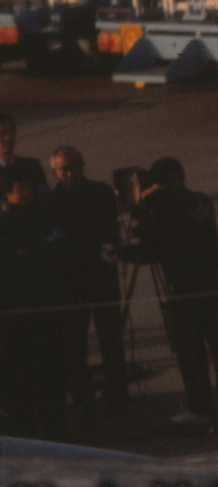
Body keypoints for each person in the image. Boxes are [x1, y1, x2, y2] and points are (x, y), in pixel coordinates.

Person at [136, 157, 218, 434]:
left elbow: (197, 217)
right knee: (189, 353)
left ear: (177, 178)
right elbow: (152, 248)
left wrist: (168, 195)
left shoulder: (198, 201)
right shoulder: (160, 207)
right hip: (180, 289)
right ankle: (199, 409)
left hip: (208, 286)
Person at [47, 146, 128, 419]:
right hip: (70, 284)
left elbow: (111, 229)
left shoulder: (101, 192)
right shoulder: (50, 202)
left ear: (82, 166)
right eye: (64, 169)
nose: (70, 173)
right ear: (55, 172)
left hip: (101, 277)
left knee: (111, 341)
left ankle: (118, 401)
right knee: (74, 348)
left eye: (75, 167)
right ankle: (83, 405)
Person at [0, 163, 68, 440]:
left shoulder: (46, 217)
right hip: (14, 316)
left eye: (28, 186)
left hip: (46, 310)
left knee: (51, 374)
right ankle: (24, 433)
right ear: (7, 193)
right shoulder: (4, 224)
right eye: (18, 188)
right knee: (18, 378)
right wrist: (35, 253)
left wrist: (27, 254)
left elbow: (61, 249)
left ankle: (56, 431)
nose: (25, 193)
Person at [0, 111, 47, 191]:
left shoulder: (32, 167)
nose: (7, 138)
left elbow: (45, 194)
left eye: (10, 132)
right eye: (1, 134)